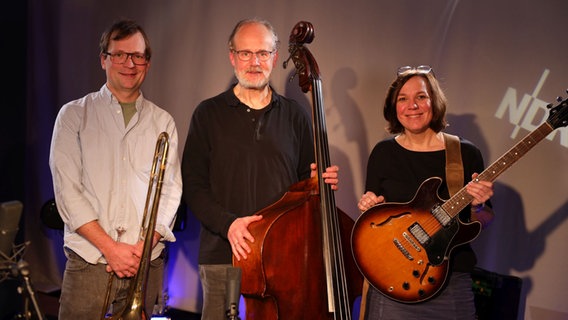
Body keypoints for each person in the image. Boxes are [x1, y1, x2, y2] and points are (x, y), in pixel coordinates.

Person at [182, 18, 339, 320]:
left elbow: (306, 185)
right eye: (245, 53)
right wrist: (228, 224)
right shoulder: (208, 113)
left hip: (282, 254)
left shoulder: (295, 116)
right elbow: (193, 184)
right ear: (232, 57)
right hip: (223, 251)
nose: (254, 62)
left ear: (275, 57)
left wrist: (320, 182)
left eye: (263, 53)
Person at [49, 19, 182, 319]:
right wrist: (111, 248)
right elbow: (68, 192)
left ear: (147, 63)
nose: (129, 63)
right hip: (90, 261)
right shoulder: (73, 115)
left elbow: (171, 193)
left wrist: (140, 249)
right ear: (103, 59)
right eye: (119, 55)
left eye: (137, 55)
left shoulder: (164, 122)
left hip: (145, 262)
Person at [356, 65, 495, 319]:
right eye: (403, 99)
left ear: (434, 102)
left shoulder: (465, 153)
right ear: (393, 107)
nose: (413, 106)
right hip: (393, 283)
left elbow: (484, 220)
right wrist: (369, 205)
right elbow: (376, 216)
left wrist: (477, 207)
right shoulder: (383, 153)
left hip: (450, 282)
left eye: (421, 97)